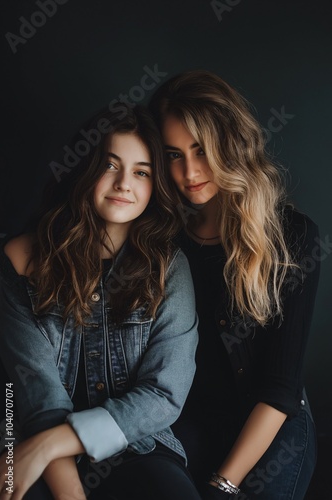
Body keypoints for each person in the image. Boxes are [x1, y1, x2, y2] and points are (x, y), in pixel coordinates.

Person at [0, 104, 202, 500]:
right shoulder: (19, 260)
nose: (125, 183)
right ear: (84, 169)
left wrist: (50, 445)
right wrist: (67, 488)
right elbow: (36, 392)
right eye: (110, 166)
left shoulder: (169, 268)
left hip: (137, 441)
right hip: (26, 435)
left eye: (141, 172)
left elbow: (164, 394)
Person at [149, 70, 320, 500]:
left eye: (202, 150)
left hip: (270, 424)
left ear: (232, 143)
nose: (189, 172)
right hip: (189, 419)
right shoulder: (161, 238)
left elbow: (280, 389)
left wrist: (223, 484)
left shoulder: (292, 236)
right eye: (174, 154)